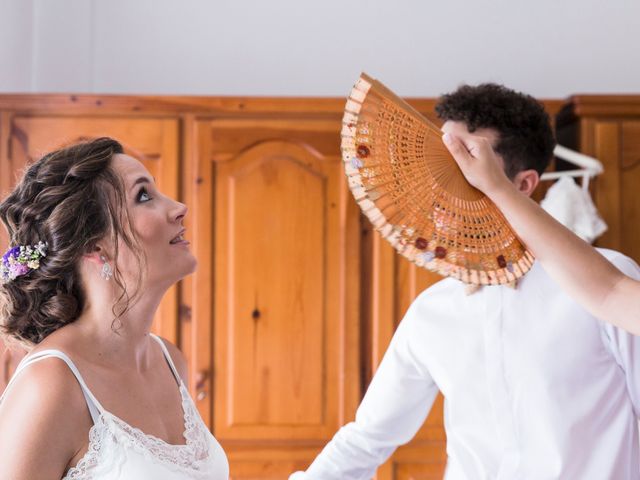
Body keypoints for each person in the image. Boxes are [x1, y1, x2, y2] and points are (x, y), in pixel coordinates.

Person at [290, 84, 640, 480]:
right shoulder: (430, 311)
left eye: (465, 166)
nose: (439, 189)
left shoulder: (612, 282)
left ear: (523, 185)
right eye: (438, 166)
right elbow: (368, 437)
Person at [0, 138, 228, 479]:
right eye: (144, 196)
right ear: (96, 246)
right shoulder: (50, 384)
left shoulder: (169, 360)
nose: (179, 207)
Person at [442, 126, 640, 336]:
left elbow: (610, 292)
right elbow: (610, 291)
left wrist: (497, 187)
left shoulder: (614, 276)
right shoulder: (424, 311)